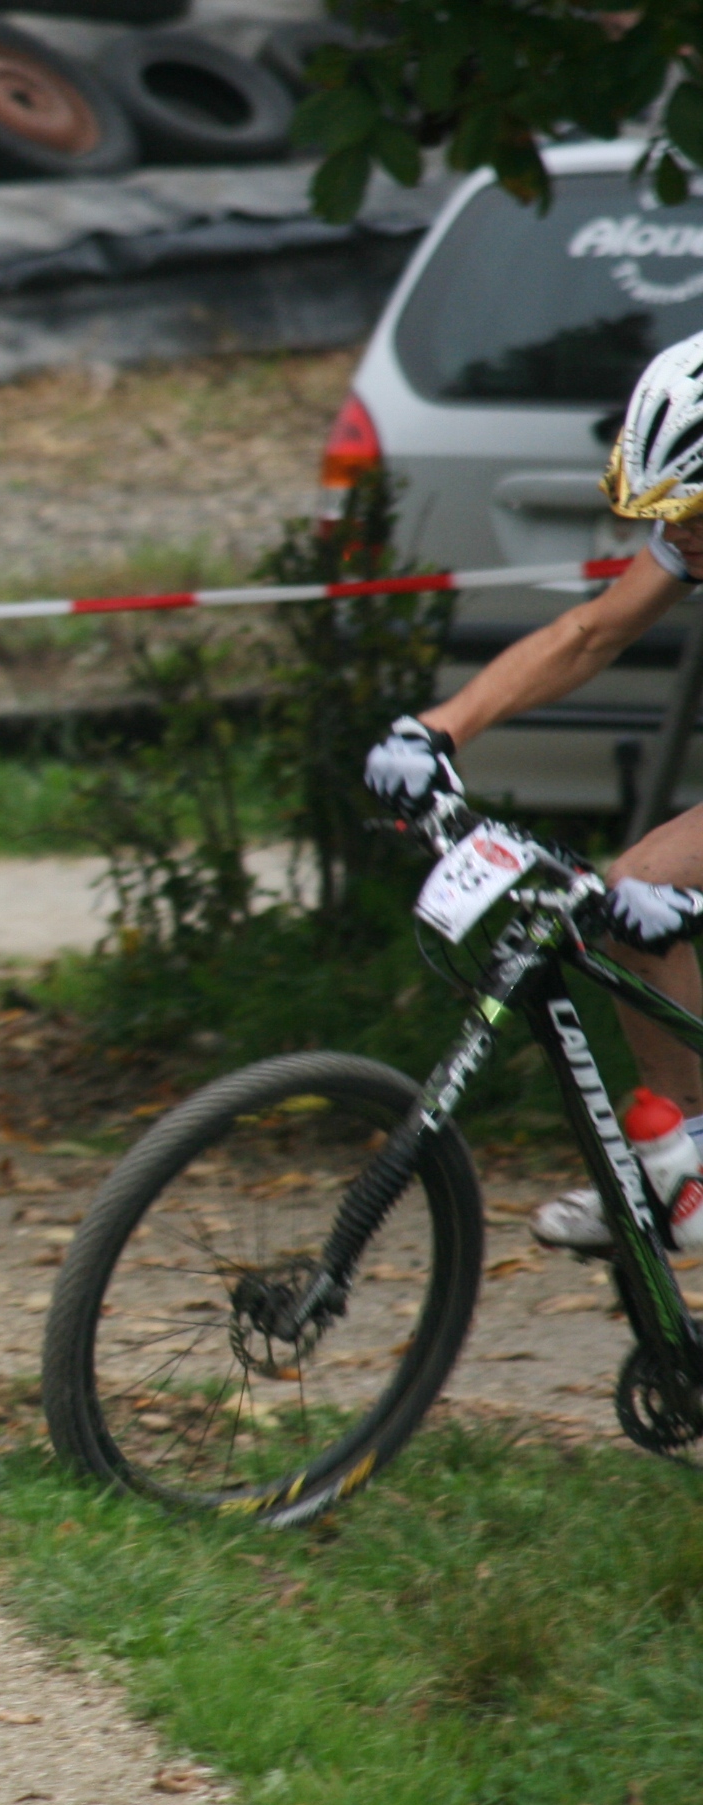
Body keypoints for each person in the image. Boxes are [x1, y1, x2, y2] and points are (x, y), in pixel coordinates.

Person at [365, 331, 703, 1250]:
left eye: (692, 515)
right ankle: (687, 1163)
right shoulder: (694, 532)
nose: (676, 536)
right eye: (665, 514)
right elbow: (591, 634)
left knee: (656, 891)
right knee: (637, 890)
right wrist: (439, 729)